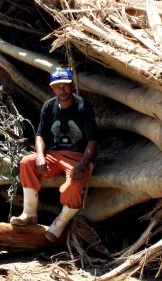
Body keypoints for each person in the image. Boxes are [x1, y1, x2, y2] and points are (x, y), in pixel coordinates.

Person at [11, 67, 98, 241]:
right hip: (54, 154)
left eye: (65, 85)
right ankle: (29, 213)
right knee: (27, 162)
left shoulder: (83, 106)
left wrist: (82, 165)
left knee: (71, 189)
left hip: (78, 157)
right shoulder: (49, 106)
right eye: (58, 86)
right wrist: (41, 156)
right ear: (52, 88)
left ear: (72, 85)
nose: (62, 90)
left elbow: (92, 141)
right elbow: (40, 135)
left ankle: (59, 223)